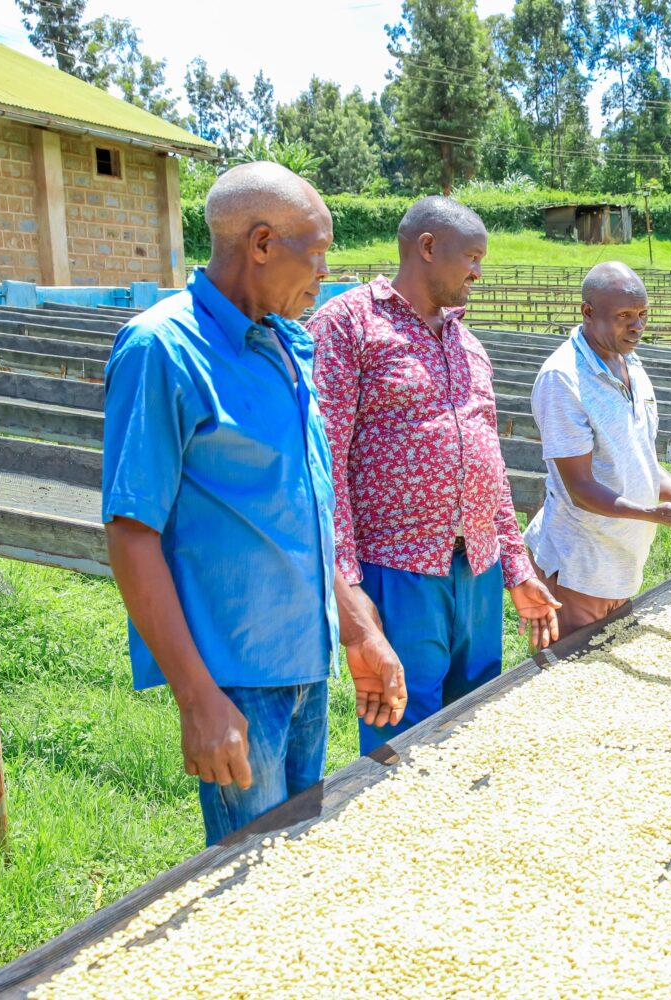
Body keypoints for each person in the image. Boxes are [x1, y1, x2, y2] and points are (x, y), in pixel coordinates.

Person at [101, 162, 404, 847]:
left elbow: (297, 509)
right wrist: (197, 698)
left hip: (304, 662)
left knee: (296, 859)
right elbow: (131, 532)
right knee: (250, 875)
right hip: (234, 678)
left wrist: (356, 626)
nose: (324, 274)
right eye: (317, 253)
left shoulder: (284, 344)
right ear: (262, 243)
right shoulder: (163, 349)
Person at [309, 196, 561, 756]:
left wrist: (517, 569)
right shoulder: (348, 324)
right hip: (397, 567)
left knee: (473, 723)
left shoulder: (467, 343)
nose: (478, 273)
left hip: (477, 567)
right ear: (428, 247)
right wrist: (347, 584)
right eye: (472, 257)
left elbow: (489, 466)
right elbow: (324, 467)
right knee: (405, 733)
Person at [522, 262, 671, 634]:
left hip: (621, 562)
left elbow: (641, 461)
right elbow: (580, 488)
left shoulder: (632, 365)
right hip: (578, 565)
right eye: (624, 316)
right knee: (570, 667)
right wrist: (653, 514)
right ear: (588, 312)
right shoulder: (564, 379)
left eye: (642, 314)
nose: (637, 326)